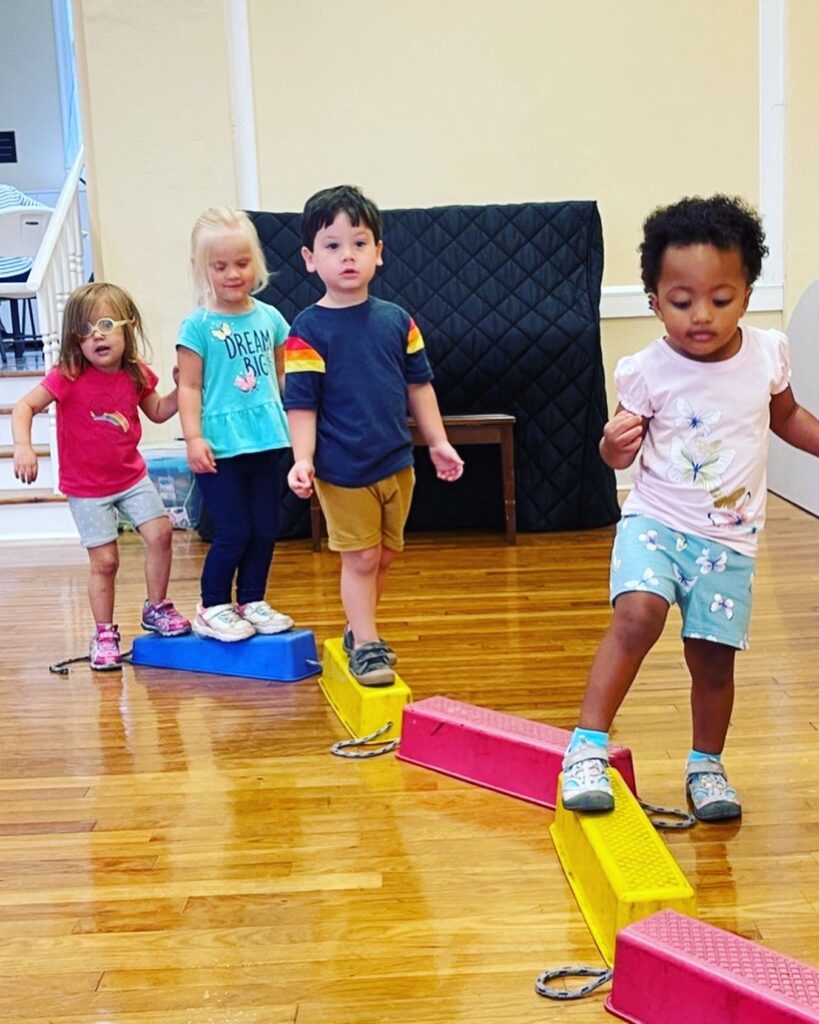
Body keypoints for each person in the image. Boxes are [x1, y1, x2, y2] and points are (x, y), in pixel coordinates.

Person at [561, 194, 819, 822]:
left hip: (729, 541)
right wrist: (610, 444)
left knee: (711, 659)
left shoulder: (766, 355)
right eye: (681, 302)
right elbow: (619, 454)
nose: (701, 315)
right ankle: (587, 746)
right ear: (653, 300)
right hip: (656, 522)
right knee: (638, 616)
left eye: (721, 299)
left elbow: (785, 418)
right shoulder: (647, 370)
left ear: (748, 293)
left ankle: (707, 764)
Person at [284, 185, 464, 686]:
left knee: (382, 556)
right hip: (342, 469)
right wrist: (303, 459)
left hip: (396, 464)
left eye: (359, 244)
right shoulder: (307, 329)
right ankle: (367, 644)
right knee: (360, 556)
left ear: (379, 253)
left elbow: (419, 387)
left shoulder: (397, 321)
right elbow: (301, 403)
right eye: (333, 245)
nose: (347, 256)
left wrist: (438, 441)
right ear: (309, 258)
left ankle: (358, 629)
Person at [12, 281, 191, 671]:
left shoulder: (135, 374)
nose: (97, 336)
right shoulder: (68, 375)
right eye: (85, 330)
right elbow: (24, 407)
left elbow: (158, 411)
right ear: (76, 340)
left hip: (130, 476)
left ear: (128, 327)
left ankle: (156, 607)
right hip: (87, 488)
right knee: (105, 561)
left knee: (161, 534)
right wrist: (24, 447)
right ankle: (104, 632)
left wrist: (182, 390)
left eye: (107, 324)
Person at [177, 207, 294, 642]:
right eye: (219, 265)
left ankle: (251, 599)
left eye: (241, 263)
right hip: (221, 446)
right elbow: (188, 387)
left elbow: (283, 378)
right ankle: (212, 606)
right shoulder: (197, 326)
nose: (231, 274)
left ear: (256, 262)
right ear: (202, 268)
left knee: (266, 527)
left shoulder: (270, 319)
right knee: (234, 529)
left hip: (267, 439)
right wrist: (193, 437)